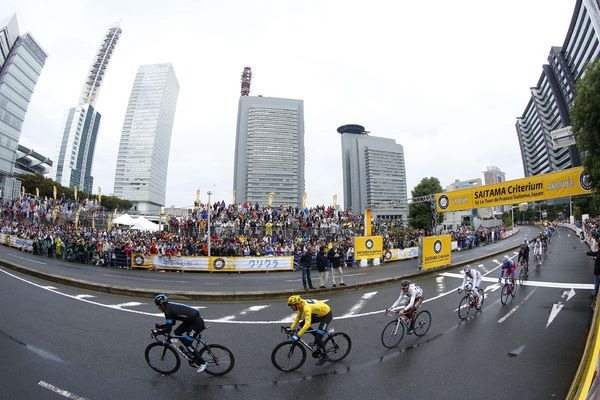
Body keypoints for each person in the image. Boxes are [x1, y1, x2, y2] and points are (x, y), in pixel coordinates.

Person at [153, 294, 207, 372]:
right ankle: (191, 351)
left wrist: (158, 332)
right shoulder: (169, 306)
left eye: (158, 306)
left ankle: (203, 363)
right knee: (177, 332)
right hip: (191, 320)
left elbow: (168, 330)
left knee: (188, 343)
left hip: (196, 323)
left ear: (161, 304)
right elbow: (172, 323)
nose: (158, 308)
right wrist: (161, 326)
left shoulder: (167, 311)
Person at [287, 294, 332, 366]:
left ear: (297, 304)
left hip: (326, 315)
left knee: (318, 337)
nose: (291, 307)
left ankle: (325, 356)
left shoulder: (306, 307)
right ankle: (317, 337)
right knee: (301, 324)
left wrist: (298, 335)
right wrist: (291, 328)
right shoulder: (301, 305)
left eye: (292, 305)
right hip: (318, 314)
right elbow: (298, 318)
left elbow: (307, 324)